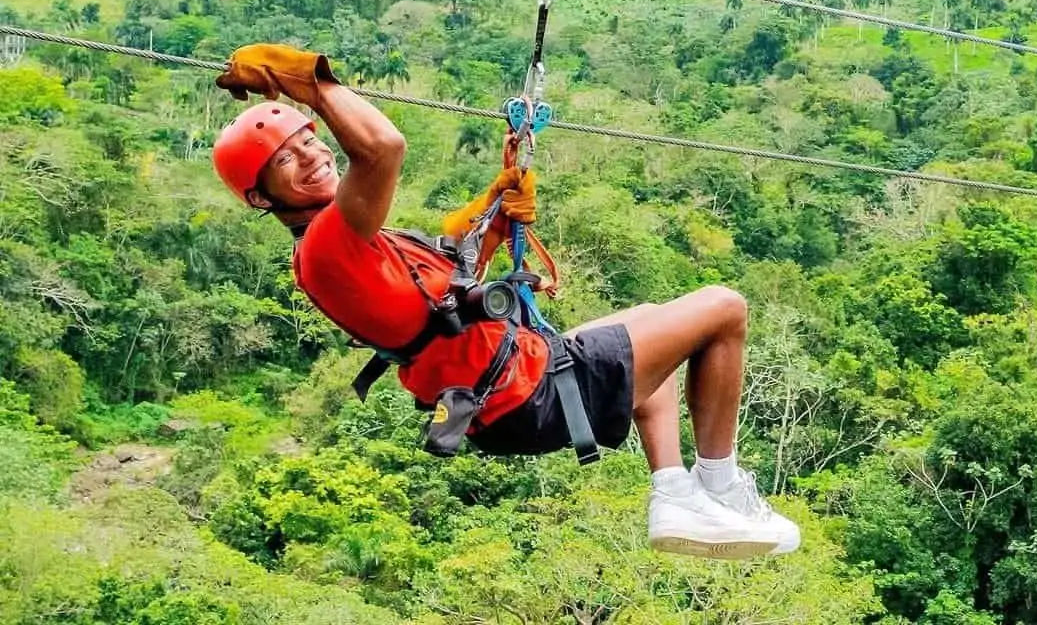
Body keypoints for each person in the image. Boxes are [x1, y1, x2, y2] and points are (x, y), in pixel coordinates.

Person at [211, 43, 800, 559]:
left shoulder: (358, 248)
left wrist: (495, 212)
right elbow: (383, 148)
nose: (312, 154)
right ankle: (721, 486)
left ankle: (674, 493)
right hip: (529, 391)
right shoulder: (326, 247)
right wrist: (312, 84)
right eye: (285, 159)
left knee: (652, 328)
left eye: (308, 138)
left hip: (513, 389)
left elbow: (448, 285)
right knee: (724, 307)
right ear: (263, 199)